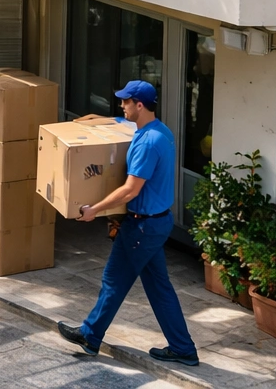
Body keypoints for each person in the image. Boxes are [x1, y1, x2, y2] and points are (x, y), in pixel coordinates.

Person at [56, 80, 199, 367]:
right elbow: (119, 123)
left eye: (125, 102)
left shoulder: (147, 143)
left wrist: (93, 210)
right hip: (157, 223)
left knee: (114, 280)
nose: (121, 106)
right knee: (160, 288)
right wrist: (93, 122)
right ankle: (183, 348)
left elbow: (131, 190)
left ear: (140, 105)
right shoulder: (159, 131)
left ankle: (90, 334)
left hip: (142, 226)